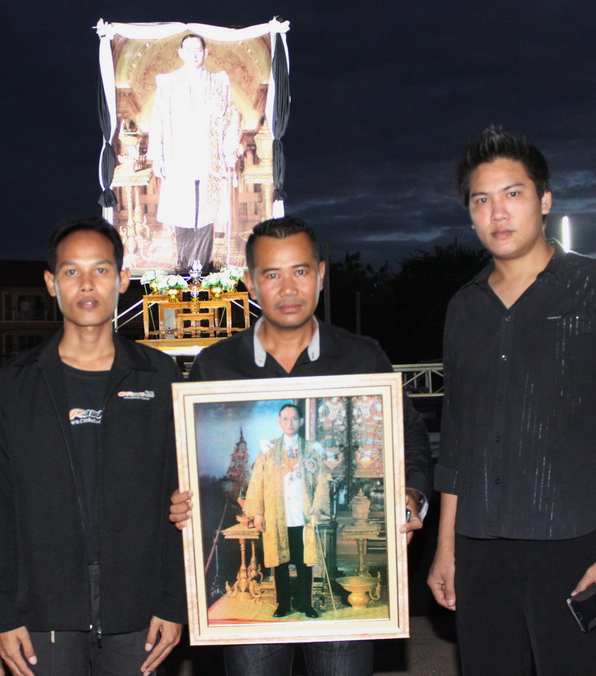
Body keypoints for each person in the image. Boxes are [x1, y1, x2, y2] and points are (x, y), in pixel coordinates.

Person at [427, 126, 596, 674]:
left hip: (573, 541)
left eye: (513, 194)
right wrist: (446, 547)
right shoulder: (463, 308)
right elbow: (456, 438)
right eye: (481, 200)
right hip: (480, 546)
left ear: (545, 200)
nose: (498, 212)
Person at [170, 216, 434, 676]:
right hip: (273, 520)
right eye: (272, 274)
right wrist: (178, 500)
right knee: (274, 577)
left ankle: (310, 603)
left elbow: (409, 436)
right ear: (250, 282)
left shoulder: (361, 357)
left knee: (313, 576)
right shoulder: (216, 367)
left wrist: (411, 493)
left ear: (321, 275)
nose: (288, 288)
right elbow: (184, 460)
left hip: (313, 520)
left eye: (301, 271)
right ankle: (281, 602)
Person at [0, 218, 185, 676]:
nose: (87, 284)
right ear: (51, 283)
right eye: (71, 271)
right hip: (42, 614)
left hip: (138, 610)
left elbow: (178, 496)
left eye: (101, 270)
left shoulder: (159, 375)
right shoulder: (17, 382)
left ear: (123, 279)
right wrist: (0, 615)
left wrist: (175, 602)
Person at [146, 33, 242, 272]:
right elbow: (157, 119)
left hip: (209, 158)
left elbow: (232, 117)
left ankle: (204, 266)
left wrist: (229, 150)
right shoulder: (168, 83)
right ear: (181, 53)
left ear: (205, 52)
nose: (194, 55)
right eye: (189, 51)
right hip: (179, 156)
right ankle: (183, 265)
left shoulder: (219, 83)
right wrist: (157, 156)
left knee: (205, 212)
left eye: (198, 50)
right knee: (182, 210)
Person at [243, 404, 330, 619]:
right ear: (279, 422)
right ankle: (283, 604)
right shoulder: (268, 449)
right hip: (276, 516)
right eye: (285, 418)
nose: (289, 423)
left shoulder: (312, 450)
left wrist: (317, 506)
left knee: (304, 562)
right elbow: (257, 481)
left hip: (302, 516)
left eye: (294, 418)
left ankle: (305, 603)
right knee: (280, 562)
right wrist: (258, 513)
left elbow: (322, 481)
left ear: (300, 421)